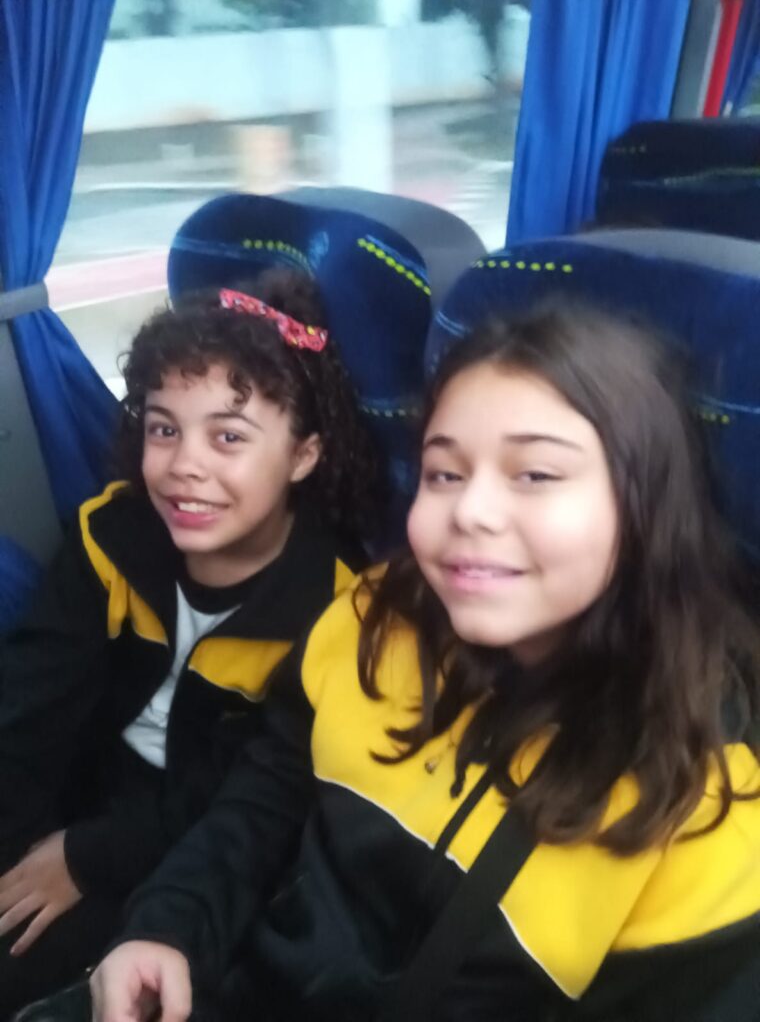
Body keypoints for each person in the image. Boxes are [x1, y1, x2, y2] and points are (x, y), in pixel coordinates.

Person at [85, 301, 760, 1021]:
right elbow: (266, 798)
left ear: (645, 503)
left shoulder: (710, 805)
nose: (471, 511)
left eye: (535, 474)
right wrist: (168, 927)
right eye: (444, 474)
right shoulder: (372, 619)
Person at [0, 267, 376, 1016]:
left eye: (228, 437)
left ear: (303, 456)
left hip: (196, 856)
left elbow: (253, 800)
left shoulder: (335, 612)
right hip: (83, 797)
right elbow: (28, 714)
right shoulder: (111, 536)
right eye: (163, 428)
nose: (184, 466)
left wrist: (84, 857)